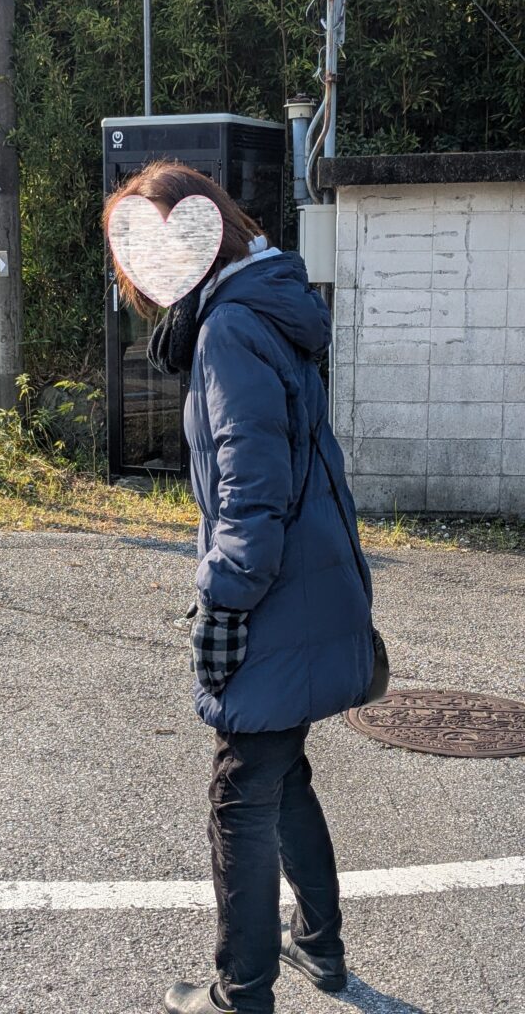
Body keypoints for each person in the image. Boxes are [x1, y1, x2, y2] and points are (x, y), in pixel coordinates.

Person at [102, 159, 375, 1014]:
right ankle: (319, 946)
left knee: (240, 796)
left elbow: (252, 496)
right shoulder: (266, 305)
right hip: (315, 584)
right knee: (280, 776)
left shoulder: (229, 330)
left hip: (272, 599)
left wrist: (222, 603)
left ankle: (241, 993)